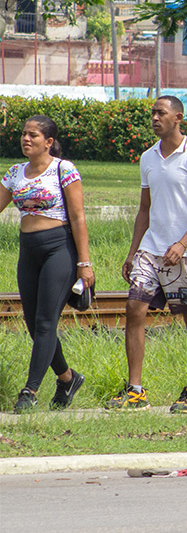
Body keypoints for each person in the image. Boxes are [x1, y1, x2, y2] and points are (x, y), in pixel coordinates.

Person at [107, 96, 187, 412]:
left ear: (177, 117)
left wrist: (182, 244)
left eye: (161, 113)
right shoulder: (148, 158)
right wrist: (132, 252)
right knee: (134, 307)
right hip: (152, 249)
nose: (155, 118)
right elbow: (144, 208)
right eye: (152, 113)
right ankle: (135, 391)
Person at [0, 115, 93, 412]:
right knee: (32, 323)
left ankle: (30, 391)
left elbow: (78, 218)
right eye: (24, 134)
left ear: (49, 142)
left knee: (45, 322)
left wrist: (84, 262)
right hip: (28, 252)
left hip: (59, 249)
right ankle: (67, 378)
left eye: (34, 135)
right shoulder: (15, 173)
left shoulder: (63, 170)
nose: (26, 139)